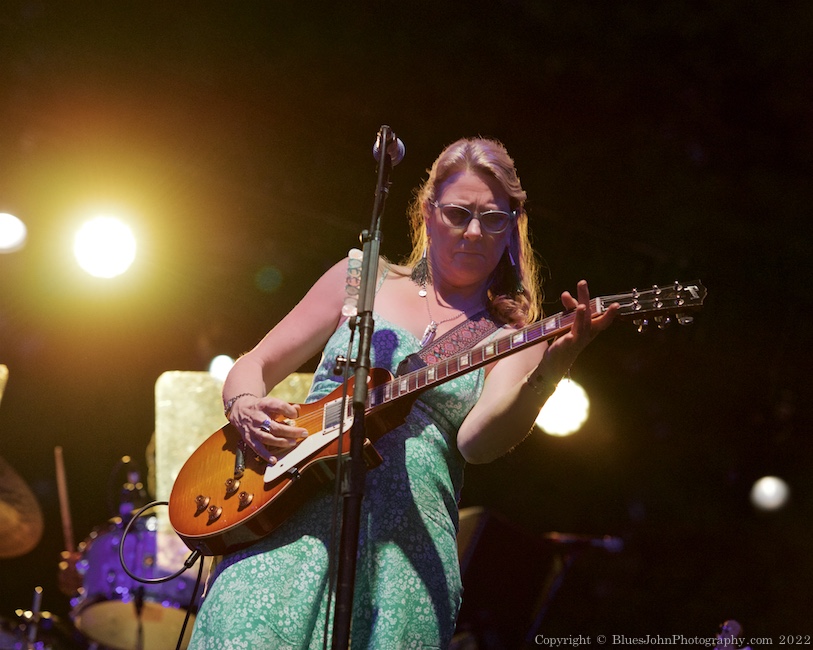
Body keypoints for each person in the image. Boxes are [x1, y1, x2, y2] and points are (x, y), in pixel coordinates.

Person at [187, 137, 618, 649]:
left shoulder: (511, 338)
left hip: (404, 560)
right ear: (428, 212)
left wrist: (559, 360)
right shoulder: (361, 280)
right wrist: (244, 406)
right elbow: (254, 363)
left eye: (494, 220)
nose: (475, 232)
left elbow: (477, 445)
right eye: (459, 214)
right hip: (282, 519)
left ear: (512, 228)